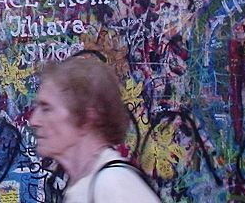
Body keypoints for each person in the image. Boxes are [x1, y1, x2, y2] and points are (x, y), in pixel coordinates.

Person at [31, 53, 161, 203]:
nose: (34, 121)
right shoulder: (83, 185)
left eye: (47, 109)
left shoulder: (114, 184)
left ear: (87, 118)